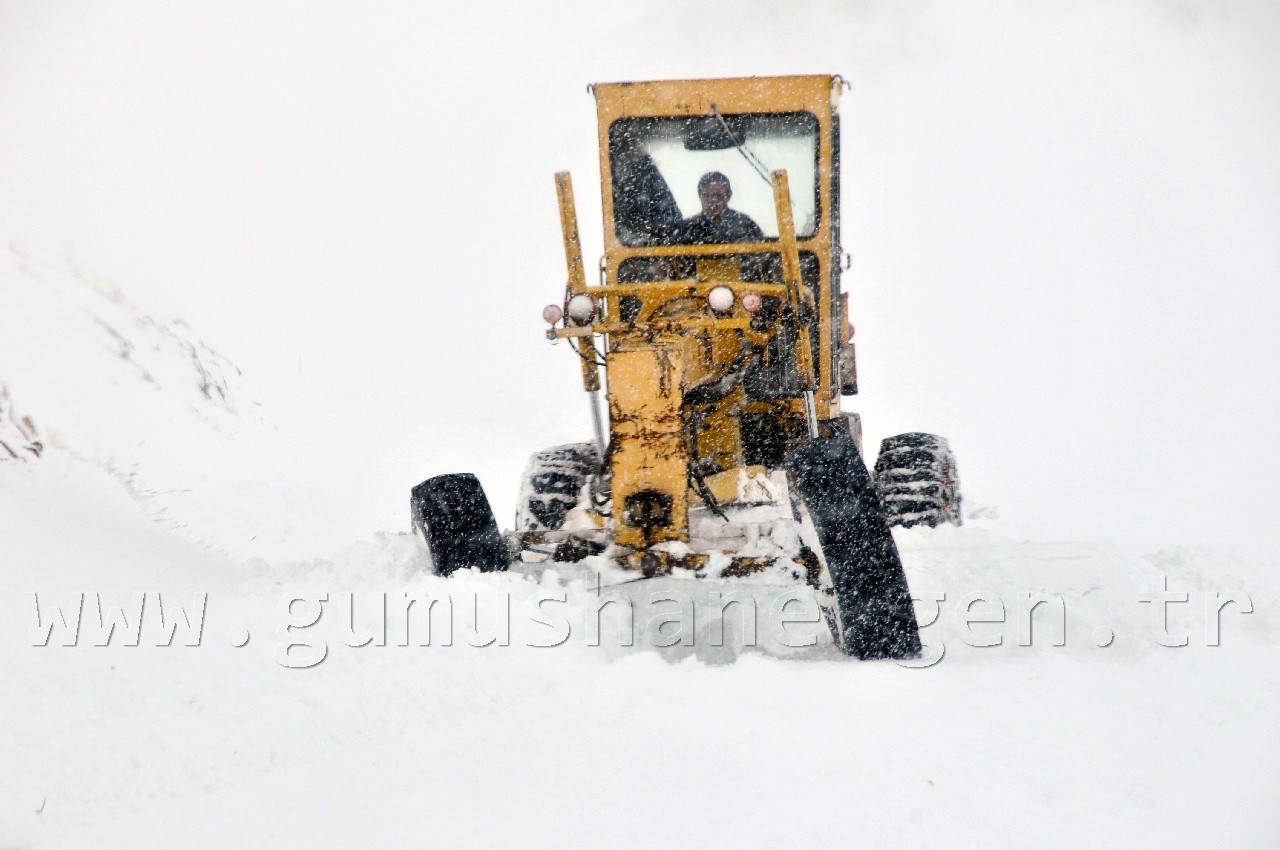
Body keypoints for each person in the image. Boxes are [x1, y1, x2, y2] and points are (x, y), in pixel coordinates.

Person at [676, 172, 763, 245]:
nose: (712, 201)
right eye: (706, 196)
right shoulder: (687, 229)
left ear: (728, 195)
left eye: (718, 195)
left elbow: (761, 255)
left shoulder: (746, 225)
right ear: (699, 196)